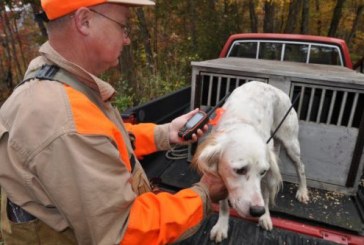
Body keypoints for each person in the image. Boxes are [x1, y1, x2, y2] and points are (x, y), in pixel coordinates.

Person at [0, 0, 227, 244]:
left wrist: (165, 134)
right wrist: (202, 193)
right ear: (84, 21)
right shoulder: (64, 120)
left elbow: (104, 141)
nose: (127, 39)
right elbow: (124, 232)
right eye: (123, 26)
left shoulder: (55, 79)